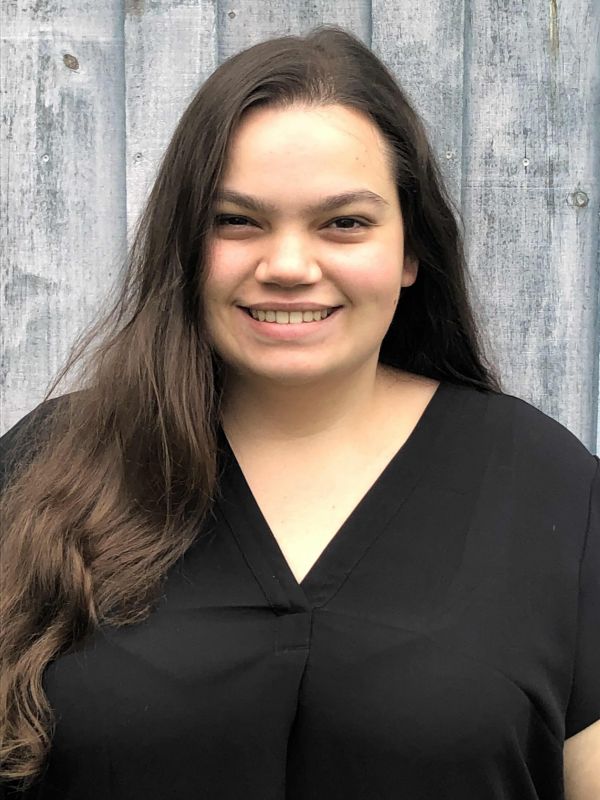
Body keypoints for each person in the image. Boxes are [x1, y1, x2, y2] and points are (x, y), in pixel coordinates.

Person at [0, 24, 598, 800]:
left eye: (344, 222)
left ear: (411, 251)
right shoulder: (46, 468)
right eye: (238, 221)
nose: (287, 266)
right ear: (186, 243)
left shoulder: (550, 490)